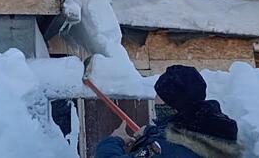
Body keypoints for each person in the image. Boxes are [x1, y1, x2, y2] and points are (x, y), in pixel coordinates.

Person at [96, 65, 243, 158]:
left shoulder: (164, 148)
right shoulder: (212, 130)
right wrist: (150, 134)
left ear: (172, 104)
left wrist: (114, 141)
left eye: (160, 95)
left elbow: (168, 148)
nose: (155, 99)